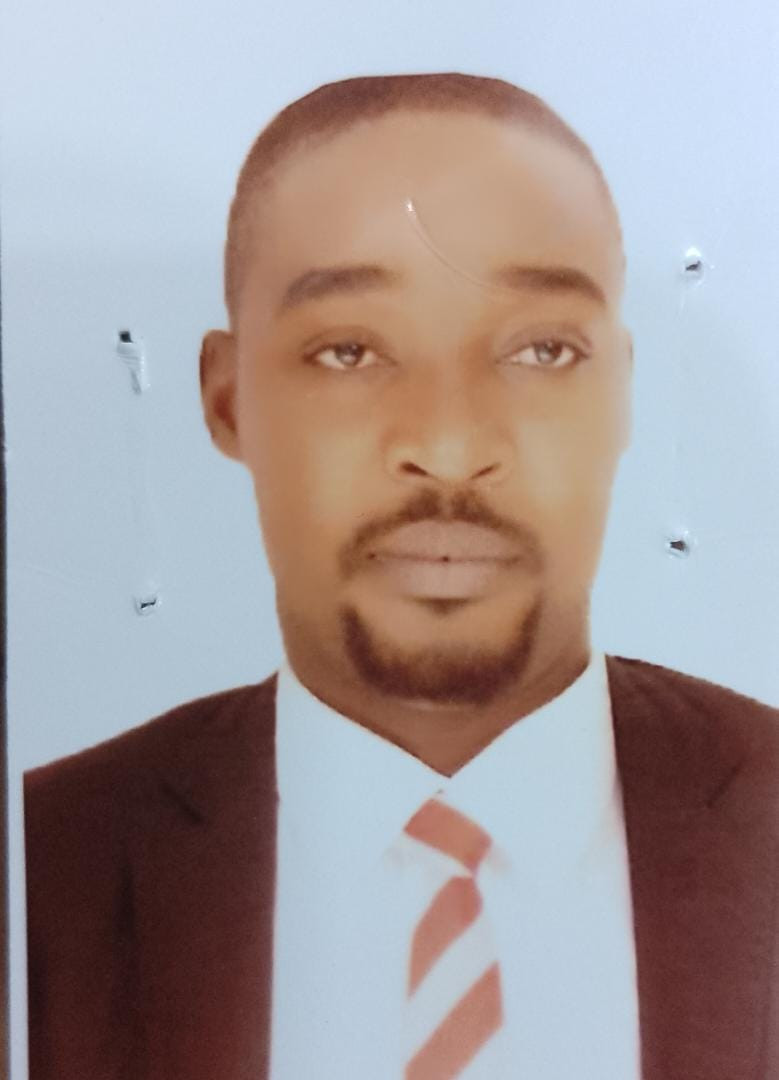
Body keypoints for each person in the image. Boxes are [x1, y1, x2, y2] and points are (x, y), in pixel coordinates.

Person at [24, 73, 778, 1080]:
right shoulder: (39, 863)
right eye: (348, 352)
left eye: (542, 350)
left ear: (621, 393)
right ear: (226, 400)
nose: (449, 447)